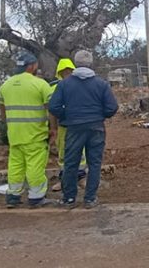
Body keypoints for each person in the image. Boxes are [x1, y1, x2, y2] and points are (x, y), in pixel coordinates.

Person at [48, 50, 119, 209]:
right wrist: (100, 115)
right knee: (94, 163)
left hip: (73, 128)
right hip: (96, 127)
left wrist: (66, 117)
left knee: (71, 163)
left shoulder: (64, 84)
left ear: (76, 64)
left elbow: (53, 107)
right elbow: (112, 107)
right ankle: (90, 199)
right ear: (90, 63)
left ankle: (69, 199)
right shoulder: (101, 84)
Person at [0, 51, 57, 209]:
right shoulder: (40, 84)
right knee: (35, 165)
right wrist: (53, 129)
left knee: (16, 165)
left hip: (15, 134)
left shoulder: (6, 85)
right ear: (32, 66)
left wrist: (8, 126)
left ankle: (13, 196)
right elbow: (50, 108)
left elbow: (2, 110)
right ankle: (36, 197)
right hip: (35, 133)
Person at [49, 58, 86, 192]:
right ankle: (64, 179)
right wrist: (53, 128)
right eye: (65, 71)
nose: (67, 73)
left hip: (78, 124)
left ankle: (81, 178)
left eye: (69, 71)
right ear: (60, 72)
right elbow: (51, 110)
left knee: (80, 152)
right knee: (63, 152)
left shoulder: (81, 84)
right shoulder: (53, 87)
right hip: (63, 126)